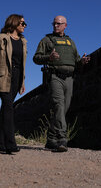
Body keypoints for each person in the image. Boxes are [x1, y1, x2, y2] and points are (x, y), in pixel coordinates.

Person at [33, 15, 90, 152]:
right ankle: (62, 139)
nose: (56, 26)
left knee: (64, 108)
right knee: (59, 105)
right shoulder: (46, 40)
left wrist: (81, 61)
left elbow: (76, 60)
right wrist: (49, 57)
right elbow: (36, 58)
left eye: (59, 24)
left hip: (70, 78)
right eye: (54, 23)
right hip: (55, 77)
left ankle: (51, 139)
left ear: (65, 25)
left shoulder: (71, 42)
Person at [0, 14, 27, 154]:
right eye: (22, 23)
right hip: (3, 77)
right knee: (9, 108)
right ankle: (10, 144)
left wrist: (22, 82)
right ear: (14, 23)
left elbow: (22, 64)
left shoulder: (23, 41)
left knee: (5, 110)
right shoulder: (1, 38)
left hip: (17, 78)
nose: (24, 26)